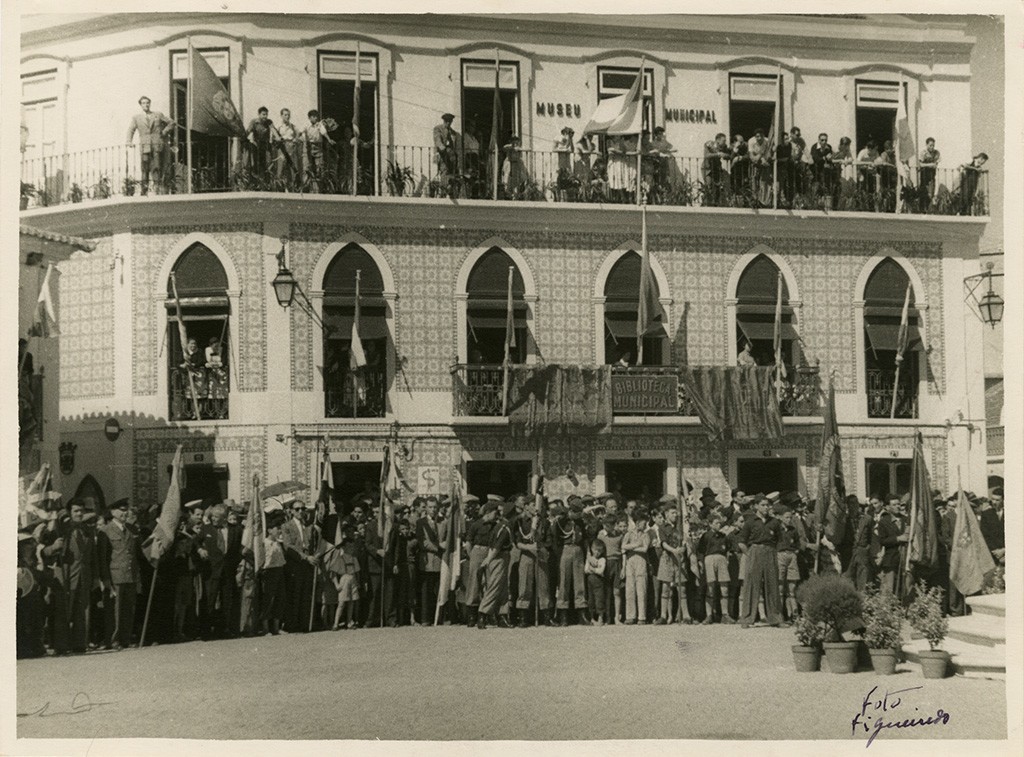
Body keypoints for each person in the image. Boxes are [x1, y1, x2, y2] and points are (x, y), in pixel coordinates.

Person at [96, 499, 141, 650]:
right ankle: (113, 640)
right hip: (115, 576)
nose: (125, 513)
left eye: (126, 510)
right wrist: (106, 579)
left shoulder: (130, 529)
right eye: (121, 510)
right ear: (113, 512)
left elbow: (134, 554)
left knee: (129, 608)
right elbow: (103, 557)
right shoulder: (106, 531)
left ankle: (125, 638)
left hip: (130, 574)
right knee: (114, 610)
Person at [737, 496, 784, 628]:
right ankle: (746, 619)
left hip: (770, 552)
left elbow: (779, 540)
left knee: (772, 584)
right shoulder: (750, 522)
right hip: (754, 551)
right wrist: (750, 554)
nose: (766, 507)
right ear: (756, 506)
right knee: (751, 585)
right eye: (763, 505)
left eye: (768, 505)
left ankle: (776, 618)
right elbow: (741, 542)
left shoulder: (774, 522)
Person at [281, 498, 318, 631]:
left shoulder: (308, 526)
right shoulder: (286, 526)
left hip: (308, 564)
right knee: (294, 594)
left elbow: (312, 544)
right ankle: (292, 624)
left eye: (303, 509)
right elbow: (288, 546)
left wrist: (313, 555)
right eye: (297, 509)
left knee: (305, 593)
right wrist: (305, 557)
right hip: (295, 564)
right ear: (291, 511)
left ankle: (305, 624)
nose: (300, 511)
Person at [477, 500, 515, 629]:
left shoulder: (499, 525)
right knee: (495, 586)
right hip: (498, 558)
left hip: (501, 557)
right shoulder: (504, 527)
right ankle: (482, 613)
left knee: (503, 588)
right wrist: (488, 559)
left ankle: (502, 615)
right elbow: (497, 546)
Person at [126, 95, 174, 195]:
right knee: (144, 168)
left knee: (156, 167)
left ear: (150, 104)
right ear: (140, 105)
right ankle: (144, 191)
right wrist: (129, 141)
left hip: (157, 145)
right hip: (145, 147)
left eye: (147, 103)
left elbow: (172, 123)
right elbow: (131, 130)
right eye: (143, 103)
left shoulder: (158, 114)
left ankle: (157, 190)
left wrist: (163, 132)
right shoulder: (136, 118)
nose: (146, 105)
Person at [554, 502, 588, 625]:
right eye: (577, 513)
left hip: (578, 549)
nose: (579, 516)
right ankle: (563, 614)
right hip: (565, 549)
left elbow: (583, 538)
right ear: (571, 512)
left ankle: (581, 613)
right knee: (564, 582)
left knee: (580, 582)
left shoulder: (580, 522)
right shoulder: (561, 521)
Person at [698, 513, 732, 624]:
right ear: (710, 524)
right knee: (710, 588)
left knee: (724, 587)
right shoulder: (706, 536)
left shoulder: (723, 536)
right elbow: (701, 551)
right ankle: (709, 615)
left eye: (720, 523)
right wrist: (701, 563)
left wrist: (726, 560)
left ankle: (725, 614)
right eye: (716, 523)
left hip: (721, 560)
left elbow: (727, 550)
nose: (719, 525)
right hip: (709, 560)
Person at [415, 498, 442, 627]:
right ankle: (425, 618)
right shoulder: (420, 523)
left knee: (437, 590)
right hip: (427, 560)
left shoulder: (443, 522)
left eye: (435, 507)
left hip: (439, 561)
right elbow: (423, 542)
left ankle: (438, 617)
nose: (433, 510)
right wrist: (439, 548)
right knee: (426, 591)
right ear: (426, 508)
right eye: (430, 507)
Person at [622, 507, 651, 624]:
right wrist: (636, 545)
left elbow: (645, 549)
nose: (645, 525)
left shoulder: (646, 535)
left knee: (641, 589)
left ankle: (642, 617)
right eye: (644, 523)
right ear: (638, 522)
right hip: (630, 562)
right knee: (630, 589)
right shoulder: (629, 534)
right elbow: (623, 546)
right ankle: (630, 616)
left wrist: (632, 547)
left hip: (641, 562)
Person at [597, 515, 625, 624]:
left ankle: (616, 617)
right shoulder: (601, 535)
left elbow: (623, 553)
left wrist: (623, 568)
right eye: (605, 525)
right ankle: (603, 617)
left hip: (617, 563)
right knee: (605, 592)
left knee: (617, 591)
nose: (607, 527)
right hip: (605, 563)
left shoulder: (620, 536)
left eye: (610, 525)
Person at [303, 109, 336, 191]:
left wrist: (329, 139)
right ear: (309, 118)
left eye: (316, 116)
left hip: (318, 147)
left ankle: (319, 187)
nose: (315, 118)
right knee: (307, 167)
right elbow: (302, 133)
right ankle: (307, 185)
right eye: (313, 117)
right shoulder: (306, 125)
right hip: (309, 146)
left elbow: (324, 132)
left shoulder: (319, 125)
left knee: (319, 167)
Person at [246, 106, 277, 179]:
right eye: (263, 114)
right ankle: (256, 180)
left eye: (266, 114)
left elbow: (274, 131)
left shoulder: (269, 122)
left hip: (265, 145)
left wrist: (278, 138)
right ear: (259, 114)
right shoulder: (254, 122)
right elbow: (247, 132)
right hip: (256, 145)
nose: (265, 116)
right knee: (256, 164)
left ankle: (266, 181)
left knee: (267, 163)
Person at [274, 108, 302, 188]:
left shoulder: (293, 126)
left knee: (293, 166)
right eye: (285, 115)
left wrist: (295, 139)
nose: (287, 117)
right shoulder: (278, 127)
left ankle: (293, 186)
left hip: (291, 146)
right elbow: (273, 136)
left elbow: (299, 134)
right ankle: (279, 186)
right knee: (281, 166)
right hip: (282, 147)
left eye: (288, 115)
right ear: (281, 116)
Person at [433, 113, 460, 196]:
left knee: (452, 174)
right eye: (447, 121)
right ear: (444, 121)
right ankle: (443, 192)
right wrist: (442, 147)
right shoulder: (438, 129)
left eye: (450, 121)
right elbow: (437, 140)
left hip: (452, 157)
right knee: (444, 172)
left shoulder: (453, 132)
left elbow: (456, 142)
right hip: (443, 155)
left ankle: (450, 191)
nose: (448, 123)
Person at [702, 132, 730, 205]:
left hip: (716, 169)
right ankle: (706, 203)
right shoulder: (709, 144)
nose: (725, 142)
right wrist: (717, 154)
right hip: (707, 168)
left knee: (717, 188)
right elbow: (706, 155)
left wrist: (725, 155)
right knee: (709, 185)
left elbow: (728, 155)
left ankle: (715, 204)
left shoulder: (724, 147)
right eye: (723, 140)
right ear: (718, 140)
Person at [584, 539, 607, 626]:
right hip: (590, 581)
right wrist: (594, 570)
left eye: (599, 550)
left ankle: (600, 617)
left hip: (598, 581)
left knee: (599, 599)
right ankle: (592, 618)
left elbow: (601, 571)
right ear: (592, 549)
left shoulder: (602, 559)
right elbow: (586, 570)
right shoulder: (589, 559)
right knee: (591, 600)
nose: (597, 552)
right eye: (595, 550)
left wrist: (593, 569)